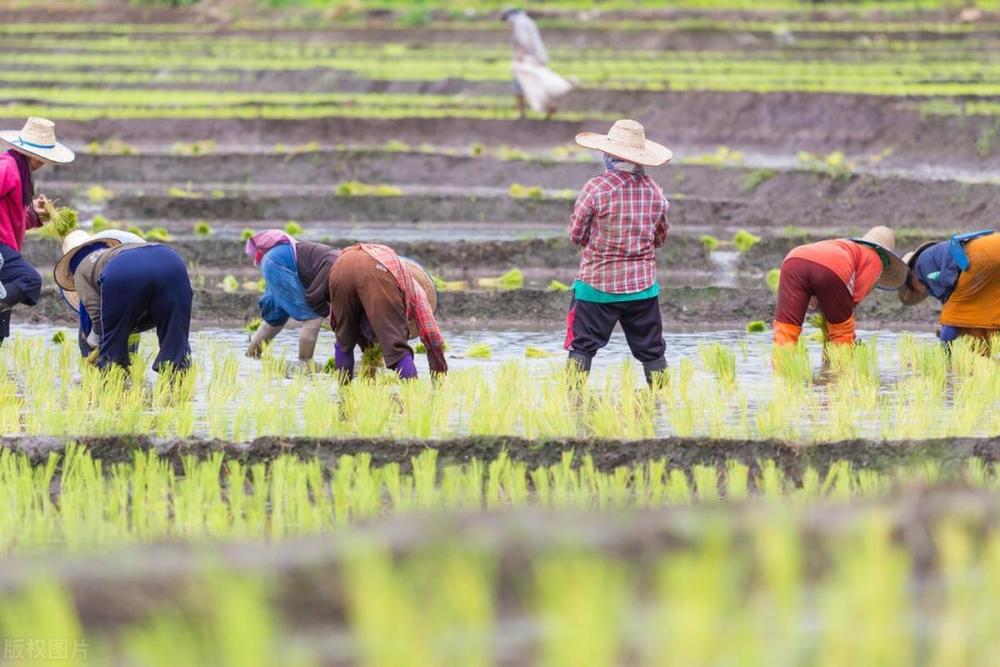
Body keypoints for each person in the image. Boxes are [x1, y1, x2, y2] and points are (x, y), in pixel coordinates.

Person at [564, 119, 672, 385]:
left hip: (597, 284)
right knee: (652, 351)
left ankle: (572, 400)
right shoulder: (655, 193)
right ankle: (661, 404)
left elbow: (576, 235)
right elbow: (660, 237)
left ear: (610, 155)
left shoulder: (596, 188)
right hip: (642, 287)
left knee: (582, 347)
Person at [54, 231, 193, 372]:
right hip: (170, 260)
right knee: (175, 340)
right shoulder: (112, 252)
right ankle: (178, 386)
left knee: (112, 361)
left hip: (125, 270)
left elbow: (98, 316)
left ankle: (116, 385)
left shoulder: (80, 271)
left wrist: (95, 342)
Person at [0, 117, 75, 346]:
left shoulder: (20, 172)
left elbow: (12, 216)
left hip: (8, 246)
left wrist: (34, 215)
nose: (43, 163)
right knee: (29, 280)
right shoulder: (6, 167)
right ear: (29, 152)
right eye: (41, 157)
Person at [328, 243, 447, 382]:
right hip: (375, 270)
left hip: (341, 265)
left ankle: (343, 395)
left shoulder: (394, 273)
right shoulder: (416, 290)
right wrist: (438, 372)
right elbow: (431, 334)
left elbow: (337, 318)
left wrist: (343, 330)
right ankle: (413, 395)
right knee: (398, 350)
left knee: (343, 344)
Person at [773, 226, 907, 346]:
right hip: (834, 265)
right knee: (842, 329)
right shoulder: (875, 259)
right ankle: (839, 371)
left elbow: (815, 269)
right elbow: (849, 303)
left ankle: (780, 370)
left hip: (793, 259)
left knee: (786, 328)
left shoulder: (846, 246)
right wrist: (850, 337)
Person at [244, 229, 341, 371]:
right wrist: (325, 312)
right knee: (312, 319)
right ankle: (305, 362)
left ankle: (250, 356)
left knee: (274, 319)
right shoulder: (336, 263)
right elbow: (314, 295)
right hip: (281, 262)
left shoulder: (336, 257)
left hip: (272, 260)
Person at [898, 230, 1000, 353]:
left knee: (952, 315)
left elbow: (948, 289)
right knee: (990, 307)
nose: (923, 290)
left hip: (979, 257)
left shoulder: (922, 264)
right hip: (994, 244)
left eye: (915, 288)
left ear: (912, 274)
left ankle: (945, 357)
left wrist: (947, 329)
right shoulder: (936, 254)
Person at [57, 229, 147, 358]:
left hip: (127, 284)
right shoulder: (105, 250)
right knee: (128, 331)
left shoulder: (83, 268)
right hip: (137, 287)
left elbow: (89, 309)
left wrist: (92, 337)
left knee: (98, 337)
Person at [502, 7, 569, 119]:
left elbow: (524, 42)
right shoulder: (527, 21)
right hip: (538, 58)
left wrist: (518, 59)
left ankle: (521, 113)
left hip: (528, 60)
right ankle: (549, 110)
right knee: (540, 84)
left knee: (519, 85)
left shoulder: (520, 23)